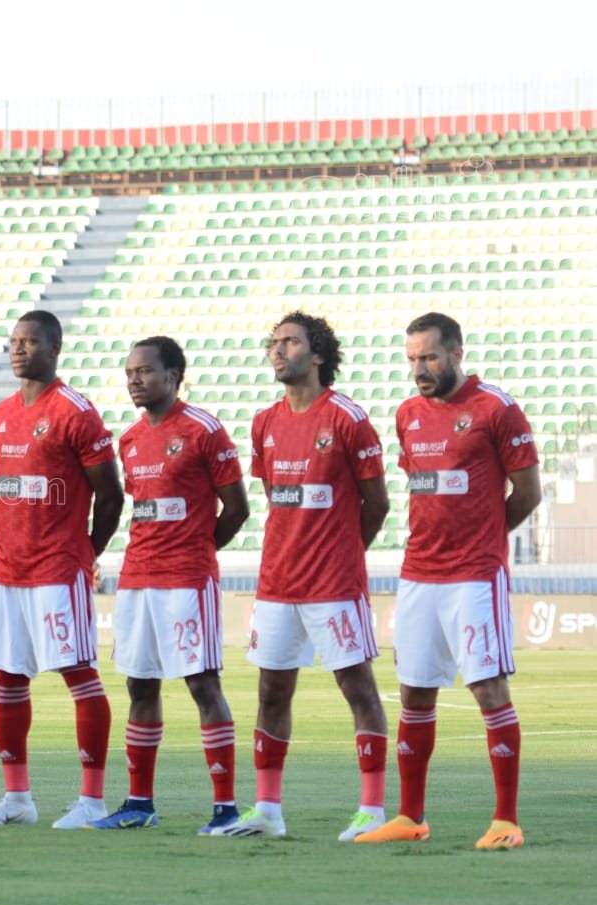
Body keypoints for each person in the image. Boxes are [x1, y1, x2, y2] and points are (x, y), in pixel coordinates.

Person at [357, 312, 540, 849]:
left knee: (487, 687)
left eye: (430, 357)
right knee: (414, 691)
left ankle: (505, 821)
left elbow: (528, 492)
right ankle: (410, 817)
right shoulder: (408, 414)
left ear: (457, 353)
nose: (419, 368)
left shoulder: (496, 409)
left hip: (475, 575)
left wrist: (486, 537)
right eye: (412, 359)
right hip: (418, 573)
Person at [216, 313, 390, 840]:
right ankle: (268, 811)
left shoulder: (347, 418)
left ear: (317, 354)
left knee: (358, 688)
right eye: (274, 342)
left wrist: (344, 553)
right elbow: (278, 498)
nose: (278, 350)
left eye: (290, 342)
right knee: (271, 692)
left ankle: (372, 810)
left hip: (334, 585)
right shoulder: (264, 423)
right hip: (276, 583)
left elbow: (377, 503)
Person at [0, 310, 123, 828]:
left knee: (78, 674)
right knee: (8, 679)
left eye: (30, 342)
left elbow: (111, 495)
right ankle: (17, 799)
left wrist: (86, 553)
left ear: (54, 349)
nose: (18, 349)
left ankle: (92, 800)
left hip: (58, 568)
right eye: (14, 341)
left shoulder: (75, 411)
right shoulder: (1, 414)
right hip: (6, 570)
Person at [91, 335, 250, 834]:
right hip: (137, 578)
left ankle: (225, 808)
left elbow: (237, 508)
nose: (134, 380)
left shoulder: (204, 429)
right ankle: (140, 803)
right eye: (129, 373)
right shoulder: (130, 439)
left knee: (202, 684)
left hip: (186, 579)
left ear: (174, 375)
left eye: (144, 371)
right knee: (140, 684)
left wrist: (198, 549)